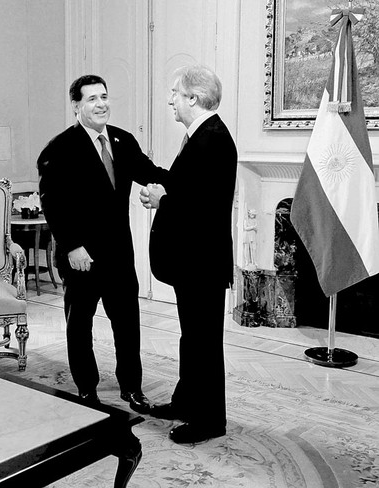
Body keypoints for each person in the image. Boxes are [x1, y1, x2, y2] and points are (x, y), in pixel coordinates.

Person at [37, 74, 169, 414]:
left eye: (104, 96)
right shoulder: (60, 148)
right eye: (92, 99)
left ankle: (132, 389)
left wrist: (185, 182)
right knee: (79, 325)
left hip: (119, 255)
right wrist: (72, 246)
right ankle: (86, 390)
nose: (101, 104)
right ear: (77, 106)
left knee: (128, 323)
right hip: (81, 255)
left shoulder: (123, 141)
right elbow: (52, 203)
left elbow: (150, 172)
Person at [140, 65, 238, 444]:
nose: (170, 100)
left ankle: (209, 421)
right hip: (195, 262)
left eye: (175, 93)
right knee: (192, 338)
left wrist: (163, 198)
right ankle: (186, 403)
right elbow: (192, 190)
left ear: (193, 98)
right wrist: (165, 190)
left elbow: (202, 208)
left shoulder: (211, 139)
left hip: (202, 264)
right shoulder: (203, 136)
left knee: (204, 342)